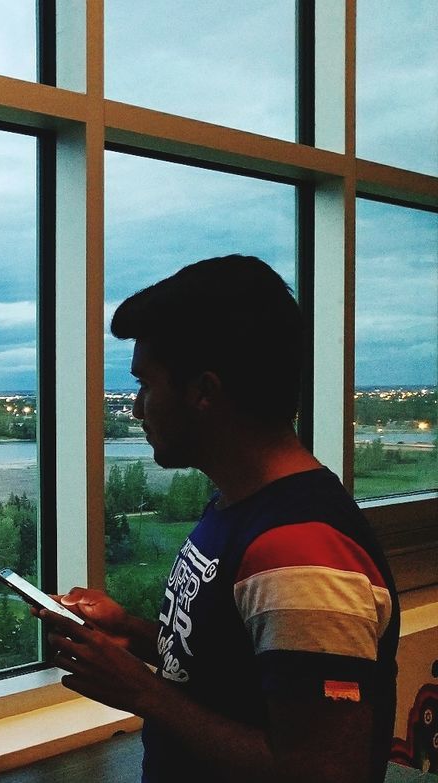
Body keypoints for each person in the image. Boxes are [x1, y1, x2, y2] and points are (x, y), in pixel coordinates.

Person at [36, 255, 400, 783]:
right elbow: (232, 670)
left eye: (145, 385)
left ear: (204, 392)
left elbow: (322, 772)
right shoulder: (241, 504)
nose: (137, 409)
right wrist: (133, 635)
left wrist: (139, 689)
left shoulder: (301, 554)